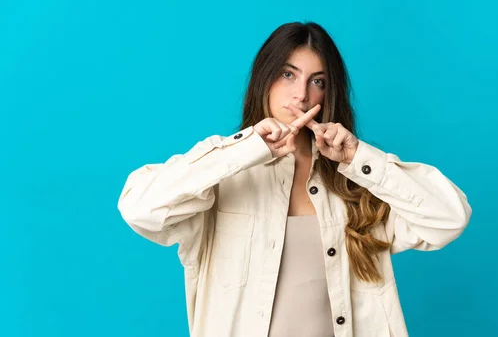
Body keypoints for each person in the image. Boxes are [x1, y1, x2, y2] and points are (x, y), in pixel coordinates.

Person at [117, 21, 472, 337]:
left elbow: (450, 218)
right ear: (264, 79)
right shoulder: (221, 177)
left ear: (328, 94)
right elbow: (140, 209)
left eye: (316, 81)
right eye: (288, 75)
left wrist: (358, 158)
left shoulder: (356, 183)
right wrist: (245, 150)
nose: (301, 94)